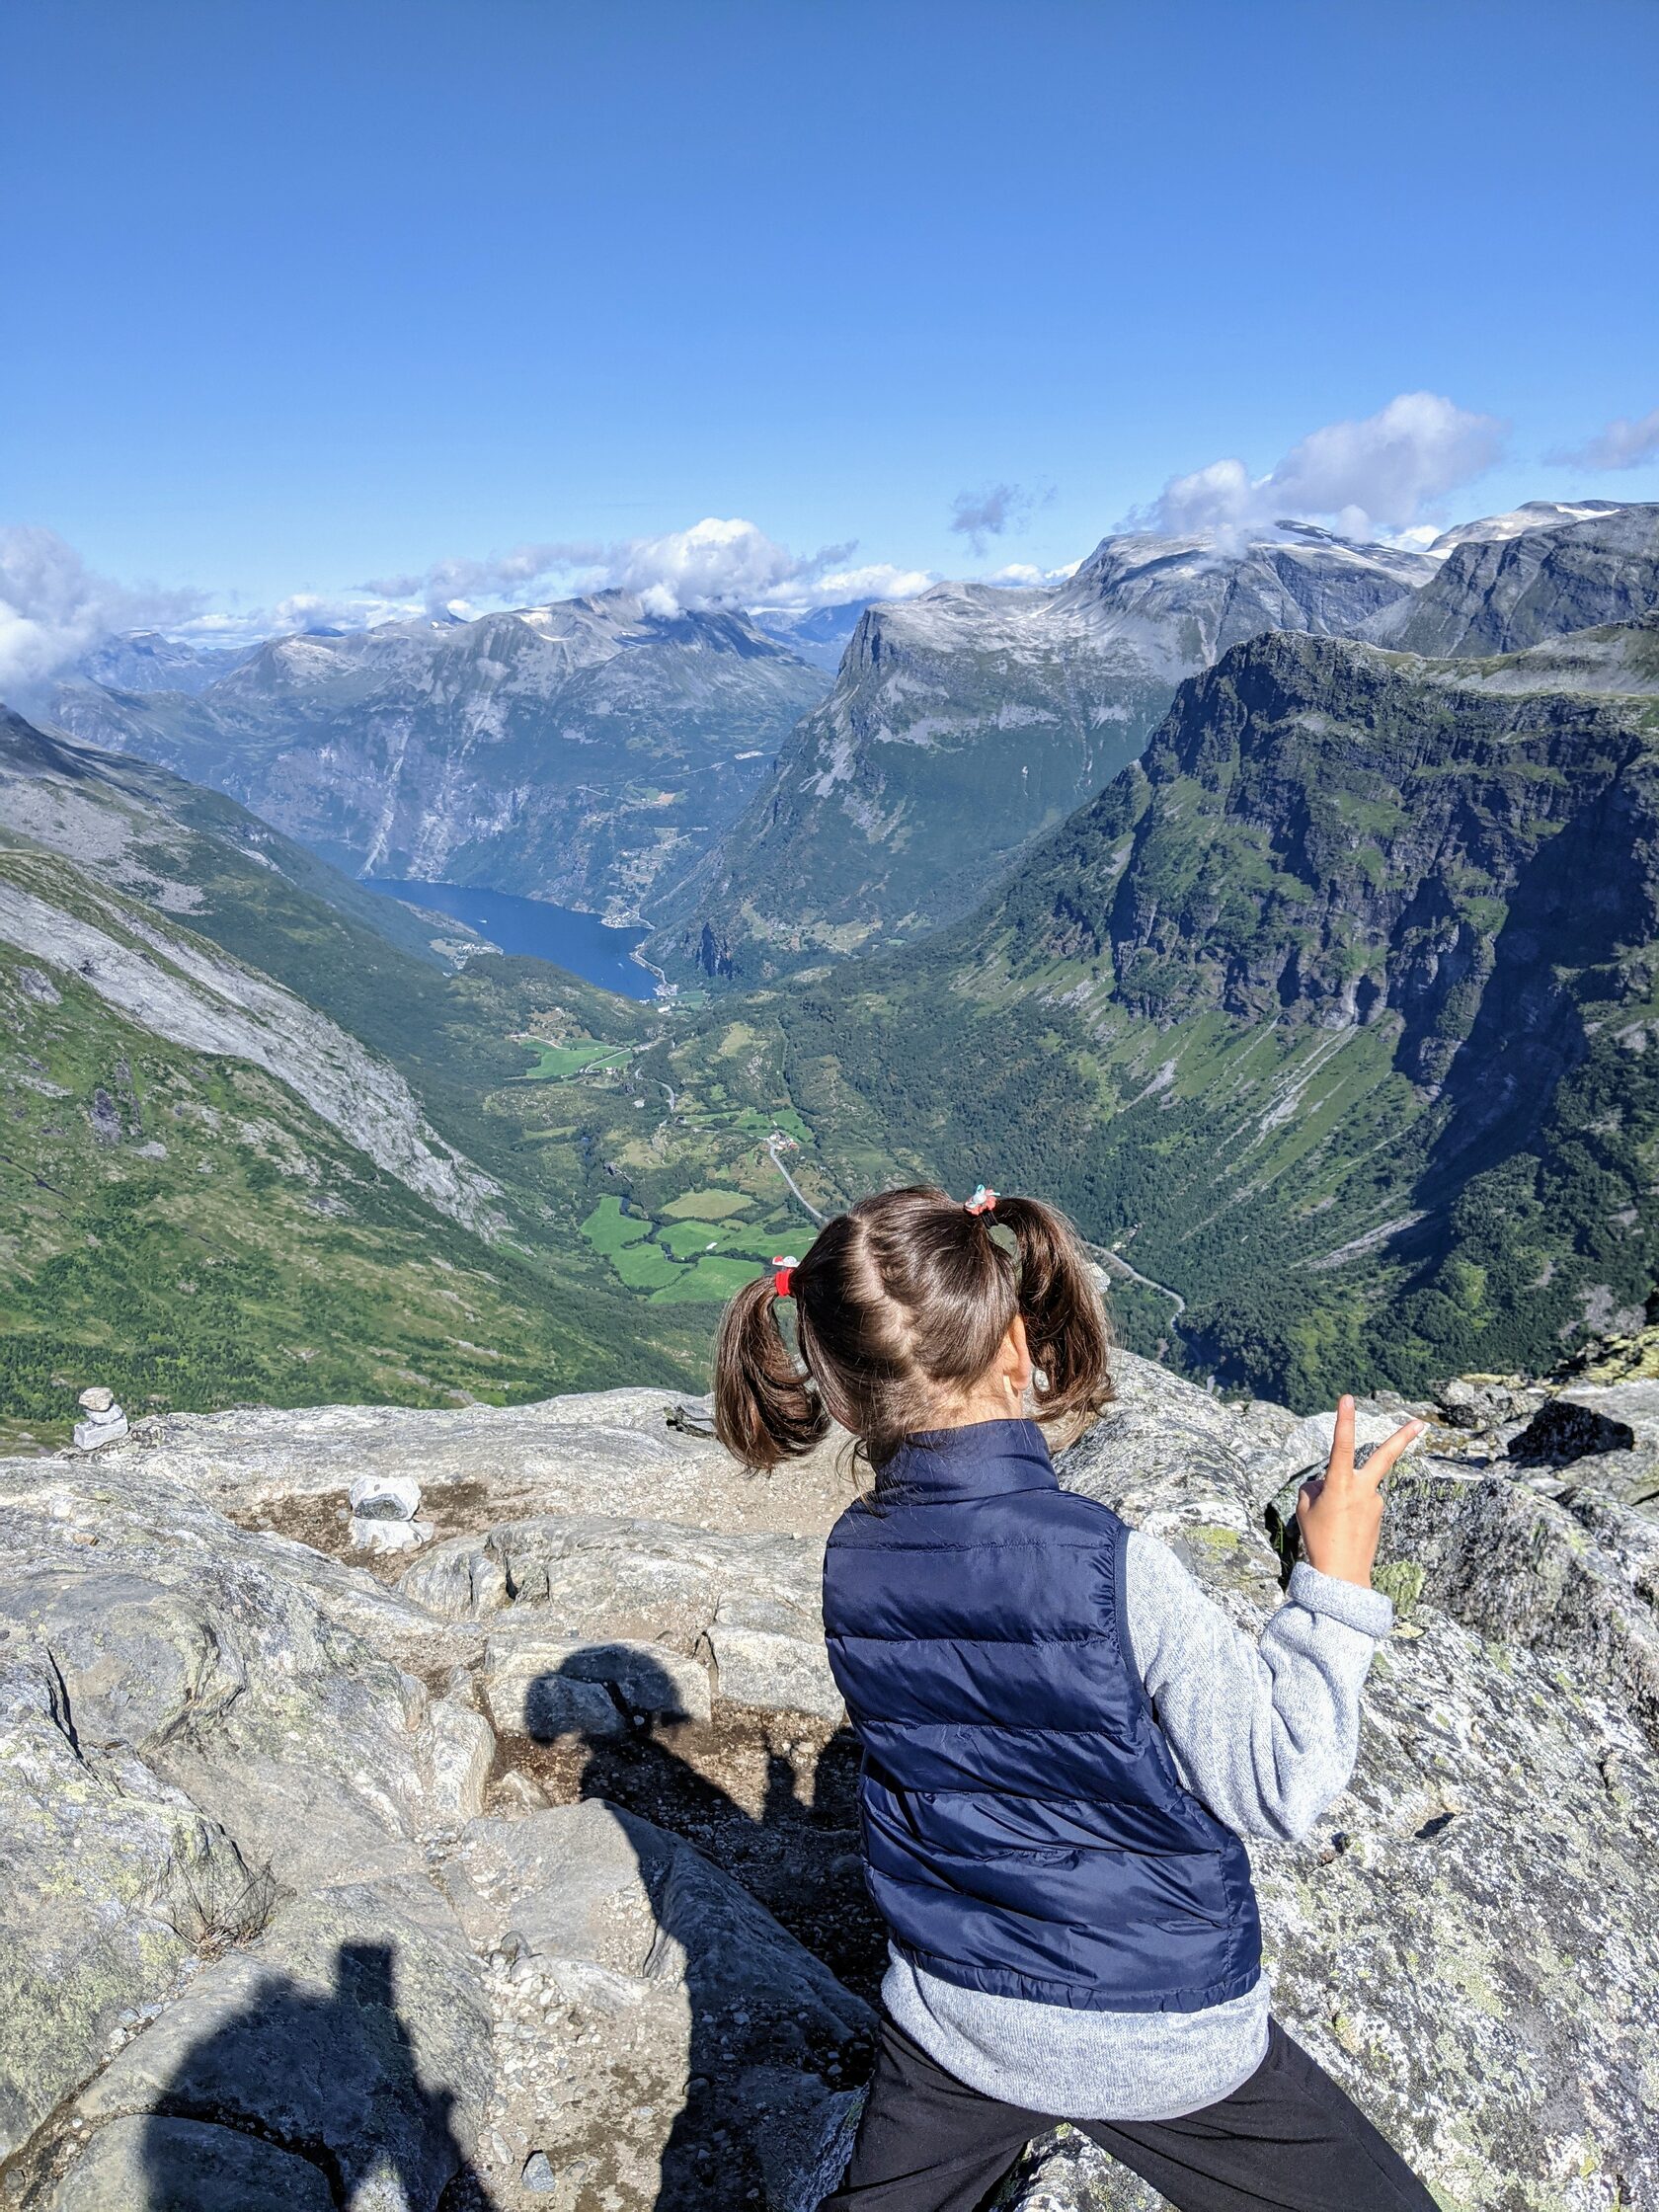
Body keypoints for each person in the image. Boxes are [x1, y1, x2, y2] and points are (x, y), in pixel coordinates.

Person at [713, 1183, 1436, 2212]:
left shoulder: (852, 1558)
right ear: (1021, 1347)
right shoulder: (1115, 1565)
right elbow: (1282, 1782)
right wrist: (1334, 1582)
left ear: (835, 1394)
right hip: (1163, 2027)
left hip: (960, 2023)